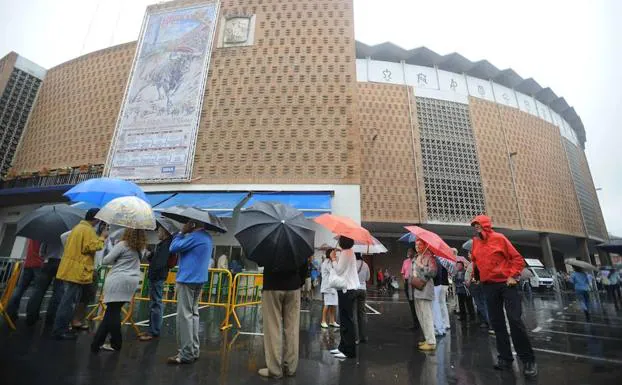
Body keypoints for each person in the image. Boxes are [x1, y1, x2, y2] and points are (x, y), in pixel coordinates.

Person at [471, 215, 537, 378]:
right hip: (488, 286)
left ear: (486, 224)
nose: (475, 227)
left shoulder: (499, 238)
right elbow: (476, 261)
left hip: (507, 284)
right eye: (474, 225)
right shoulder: (475, 242)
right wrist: (476, 276)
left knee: (514, 320)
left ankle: (528, 360)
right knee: (497, 322)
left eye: (478, 224)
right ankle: (505, 358)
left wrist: (513, 276)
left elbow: (517, 259)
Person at [52, 209, 106, 340]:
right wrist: (102, 238)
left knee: (69, 299)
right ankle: (60, 329)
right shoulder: (87, 230)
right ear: (96, 219)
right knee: (68, 301)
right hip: (77, 270)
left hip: (72, 268)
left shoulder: (78, 228)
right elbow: (91, 247)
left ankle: (63, 327)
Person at [256, 248, 308, 379]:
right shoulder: (297, 241)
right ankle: (290, 367)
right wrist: (297, 282)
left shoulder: (269, 240)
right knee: (292, 329)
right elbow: (304, 267)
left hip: (272, 286)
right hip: (293, 287)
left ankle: (274, 370)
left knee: (273, 328)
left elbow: (259, 261)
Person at [91, 228, 145, 352]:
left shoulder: (122, 244)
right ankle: (97, 342)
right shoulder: (141, 247)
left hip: (118, 279)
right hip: (132, 281)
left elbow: (106, 260)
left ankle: (116, 342)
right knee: (112, 311)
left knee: (112, 312)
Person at [167, 220, 213, 365]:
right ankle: (194, 350)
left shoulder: (194, 237)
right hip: (199, 279)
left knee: (184, 316)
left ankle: (186, 353)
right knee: (193, 315)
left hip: (187, 279)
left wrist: (181, 232)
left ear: (193, 224)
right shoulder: (207, 237)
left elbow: (173, 247)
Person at [139, 225, 173, 341]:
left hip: (157, 277)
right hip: (158, 276)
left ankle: (153, 331)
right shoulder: (164, 244)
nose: (157, 233)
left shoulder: (166, 245)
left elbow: (160, 262)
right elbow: (158, 260)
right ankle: (151, 329)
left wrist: (152, 261)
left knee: (155, 304)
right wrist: (150, 255)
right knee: (154, 303)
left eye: (159, 231)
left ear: (165, 232)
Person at [329, 236, 360, 359]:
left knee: (346, 321)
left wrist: (333, 259)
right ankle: (343, 347)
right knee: (345, 319)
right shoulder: (349, 252)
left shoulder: (346, 253)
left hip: (346, 290)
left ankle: (349, 351)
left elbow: (339, 270)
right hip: (348, 289)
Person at [25, 240, 64, 326]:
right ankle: (51, 318)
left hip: (48, 262)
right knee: (58, 291)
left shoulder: (48, 234)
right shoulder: (67, 235)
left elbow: (41, 252)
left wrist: (45, 257)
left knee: (39, 290)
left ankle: (31, 316)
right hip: (61, 263)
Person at [410, 238, 437, 351]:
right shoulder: (416, 257)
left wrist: (421, 266)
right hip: (416, 289)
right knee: (421, 316)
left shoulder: (429, 257)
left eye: (420, 244)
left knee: (427, 316)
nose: (417, 247)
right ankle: (427, 338)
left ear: (424, 245)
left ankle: (431, 342)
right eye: (416, 245)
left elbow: (433, 272)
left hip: (425, 289)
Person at [6, 239, 42, 322]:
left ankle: (10, 311)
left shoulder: (32, 233)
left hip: (28, 262)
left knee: (20, 288)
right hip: (39, 264)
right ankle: (31, 314)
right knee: (37, 291)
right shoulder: (45, 234)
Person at [467, 263, 495, 334]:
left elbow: (473, 274)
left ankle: (491, 323)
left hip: (477, 284)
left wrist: (471, 281)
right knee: (483, 304)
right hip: (482, 283)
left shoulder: (475, 263)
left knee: (481, 305)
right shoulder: (480, 262)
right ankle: (487, 322)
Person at [432, 253, 450, 336]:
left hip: (440, 284)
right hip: (444, 283)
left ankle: (442, 324)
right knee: (442, 304)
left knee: (439, 305)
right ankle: (445, 323)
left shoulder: (438, 260)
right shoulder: (444, 260)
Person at [401, 248, 419, 330]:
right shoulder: (405, 261)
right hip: (407, 283)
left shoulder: (417, 261)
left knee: (417, 304)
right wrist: (405, 281)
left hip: (415, 282)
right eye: (408, 251)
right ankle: (415, 323)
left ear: (414, 252)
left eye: (410, 251)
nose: (408, 253)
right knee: (411, 304)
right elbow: (402, 273)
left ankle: (419, 322)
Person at [320, 248, 339, 328]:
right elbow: (334, 271)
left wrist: (335, 261)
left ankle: (332, 321)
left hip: (333, 287)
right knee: (327, 304)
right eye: (333, 253)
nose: (335, 254)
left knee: (333, 305)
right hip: (327, 287)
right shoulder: (326, 262)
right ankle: (323, 321)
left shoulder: (330, 262)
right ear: (329, 254)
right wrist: (335, 261)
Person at [355, 252, 370, 343]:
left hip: (354, 289)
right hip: (363, 290)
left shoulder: (352, 264)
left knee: (354, 314)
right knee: (362, 313)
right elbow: (368, 278)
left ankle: (356, 338)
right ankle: (363, 336)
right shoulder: (366, 265)